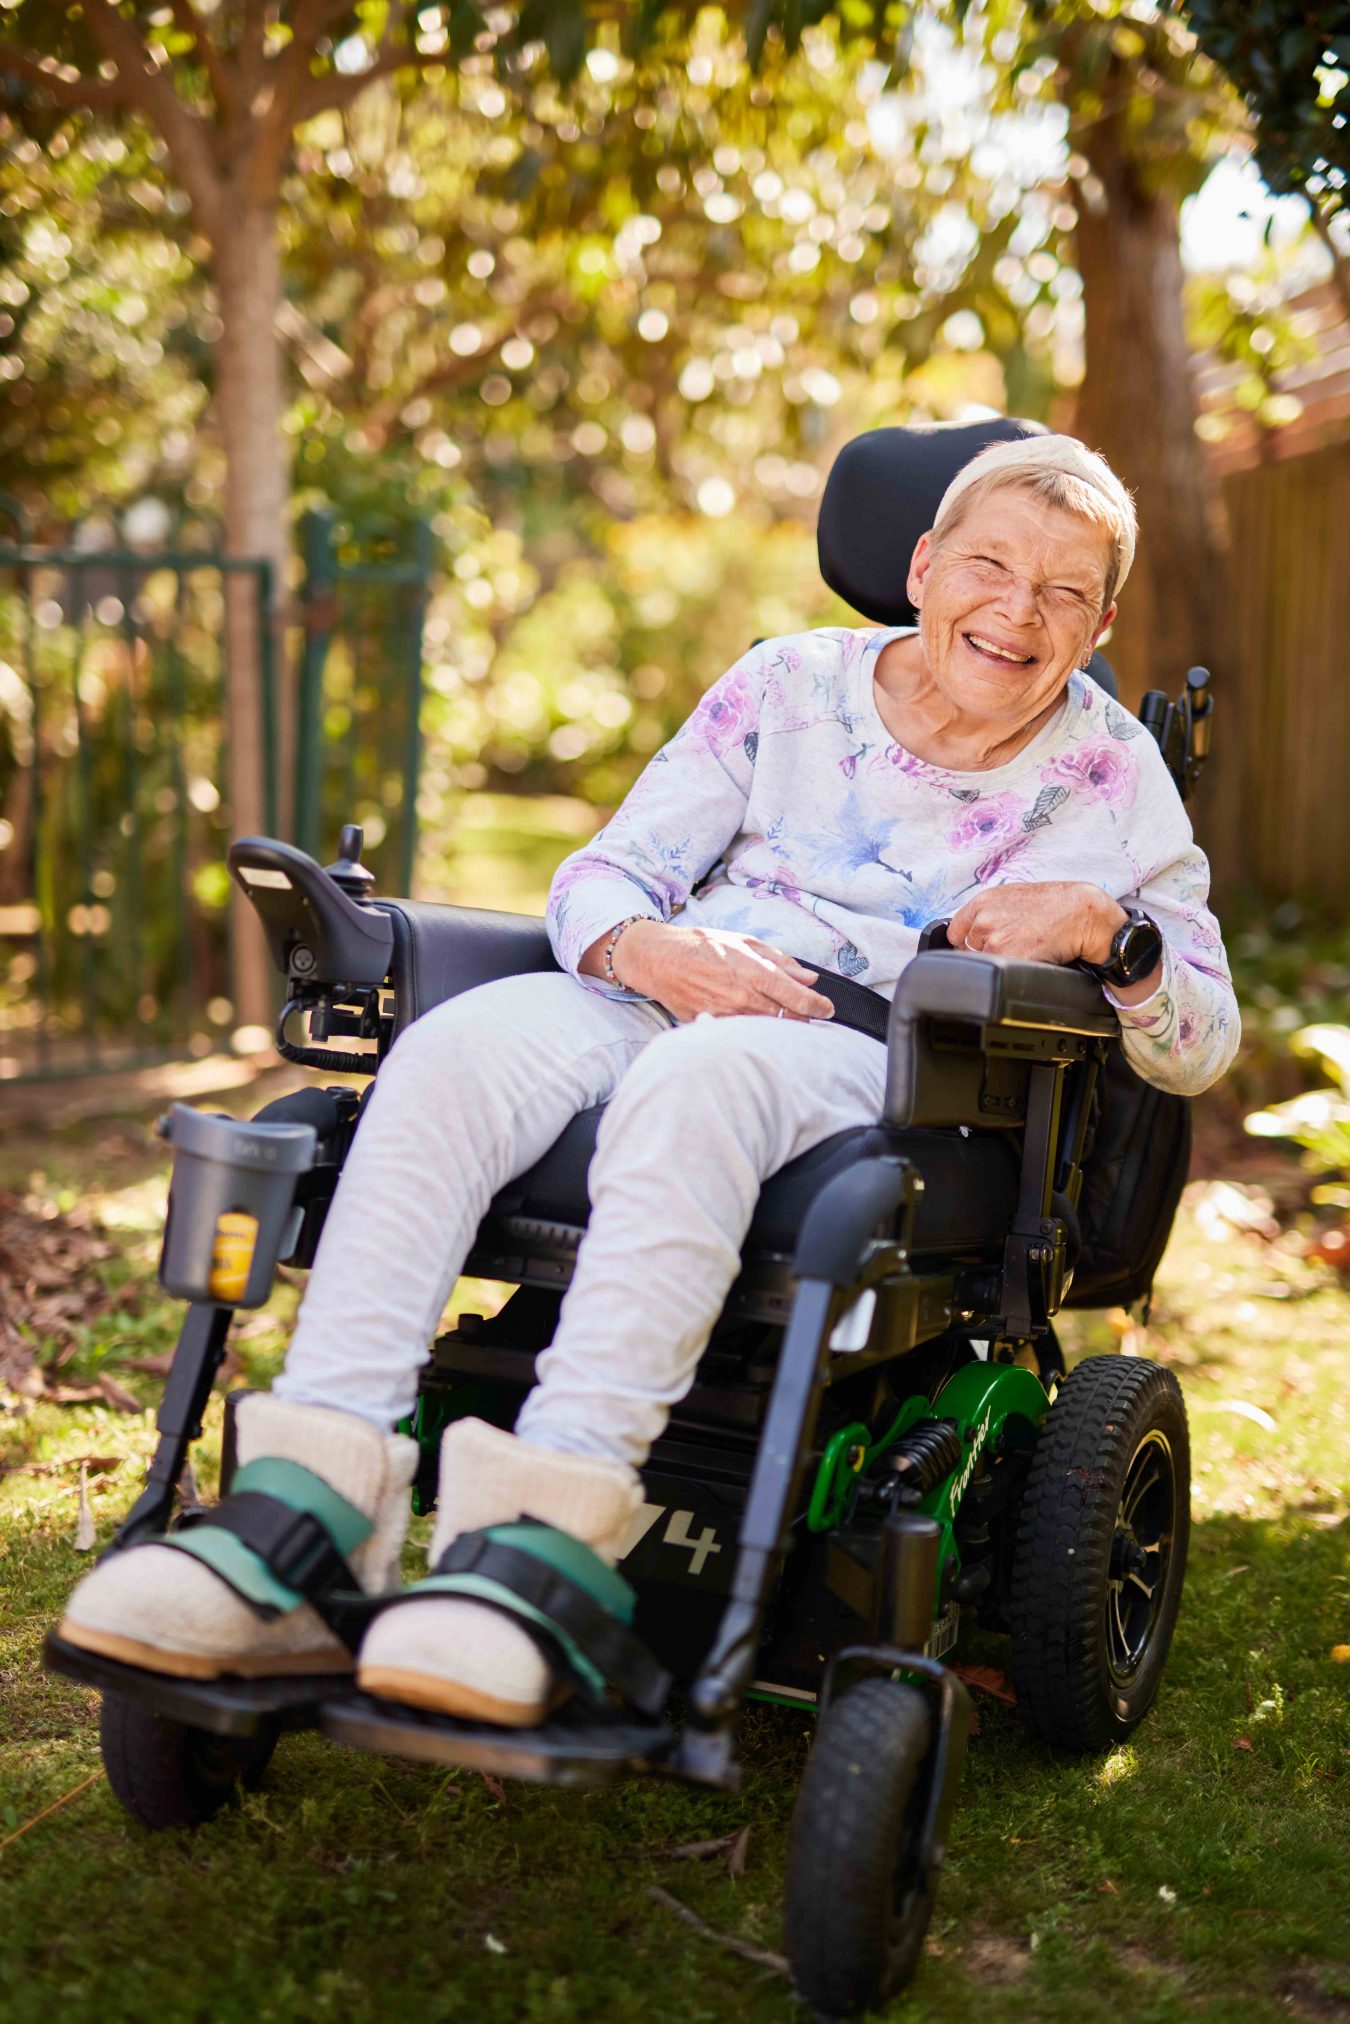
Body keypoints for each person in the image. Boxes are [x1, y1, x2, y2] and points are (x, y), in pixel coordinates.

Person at [60, 434, 1239, 1728]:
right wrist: (645, 944)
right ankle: (306, 1520)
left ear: (1101, 620)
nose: (1014, 611)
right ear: (919, 566)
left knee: (708, 1081)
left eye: (1062, 593)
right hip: (659, 983)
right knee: (451, 1049)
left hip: (881, 1053)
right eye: (986, 566)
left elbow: (1193, 1042)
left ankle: (543, 1553)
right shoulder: (785, 682)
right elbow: (607, 871)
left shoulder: (1112, 775)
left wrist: (1104, 935)